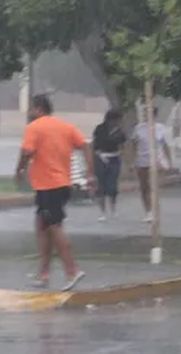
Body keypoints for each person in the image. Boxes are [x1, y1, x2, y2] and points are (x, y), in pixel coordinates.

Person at [15, 94, 94, 291]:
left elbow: (26, 152)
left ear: (38, 108)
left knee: (54, 227)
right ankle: (43, 274)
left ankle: (72, 270)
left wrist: (19, 170)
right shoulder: (65, 126)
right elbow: (84, 144)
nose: (29, 113)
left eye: (31, 109)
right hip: (61, 184)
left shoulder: (34, 127)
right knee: (42, 225)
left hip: (48, 186)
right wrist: (90, 171)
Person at [133, 106, 173, 223]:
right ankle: (148, 212)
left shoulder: (160, 128)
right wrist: (131, 161)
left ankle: (155, 211)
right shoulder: (138, 128)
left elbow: (165, 145)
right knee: (144, 187)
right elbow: (133, 145)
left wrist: (169, 161)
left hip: (157, 161)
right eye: (145, 114)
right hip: (142, 161)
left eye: (149, 114)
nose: (147, 116)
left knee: (153, 186)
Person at [91, 109, 127, 222]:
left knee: (112, 185)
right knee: (100, 185)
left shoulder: (119, 131)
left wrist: (124, 156)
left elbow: (123, 144)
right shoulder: (100, 129)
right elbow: (95, 144)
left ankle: (113, 209)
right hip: (101, 157)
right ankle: (102, 212)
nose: (117, 122)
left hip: (114, 158)